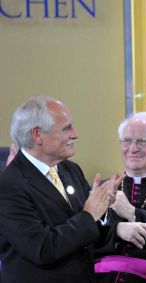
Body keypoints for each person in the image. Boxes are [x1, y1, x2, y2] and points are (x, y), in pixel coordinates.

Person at [0, 96, 123, 283]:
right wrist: (89, 215)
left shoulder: (70, 170)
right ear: (37, 135)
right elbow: (41, 248)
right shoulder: (9, 185)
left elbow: (87, 236)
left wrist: (103, 209)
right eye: (66, 128)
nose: (75, 134)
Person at [95, 112, 146, 283]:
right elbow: (85, 237)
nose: (133, 148)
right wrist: (116, 230)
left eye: (142, 141)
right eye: (127, 140)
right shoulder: (103, 188)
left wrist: (132, 213)